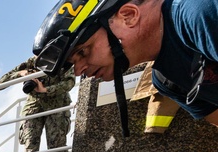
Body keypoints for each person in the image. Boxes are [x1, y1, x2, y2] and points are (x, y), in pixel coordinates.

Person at [33, 0, 218, 130]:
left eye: (82, 51)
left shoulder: (202, 13)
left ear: (129, 16)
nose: (79, 71)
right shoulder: (165, 80)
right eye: (73, 64)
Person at [0, 56, 76, 152]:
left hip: (57, 103)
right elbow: (0, 84)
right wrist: (21, 74)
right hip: (34, 104)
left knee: (56, 141)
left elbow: (69, 82)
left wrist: (45, 89)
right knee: (30, 142)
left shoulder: (61, 59)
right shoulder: (32, 62)